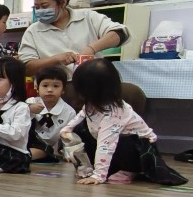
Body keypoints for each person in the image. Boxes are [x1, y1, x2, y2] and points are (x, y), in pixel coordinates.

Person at [17, 0, 146, 112]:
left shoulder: (87, 17)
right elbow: (27, 67)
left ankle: (125, 125)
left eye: (44, 6)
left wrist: (92, 48)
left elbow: (121, 33)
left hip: (97, 81)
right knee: (79, 97)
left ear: (63, 2)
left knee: (133, 93)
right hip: (61, 85)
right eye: (36, 7)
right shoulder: (33, 31)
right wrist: (56, 60)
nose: (40, 11)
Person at [63, 58, 186, 186]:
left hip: (140, 151)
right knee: (80, 129)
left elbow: (106, 144)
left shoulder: (114, 113)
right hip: (113, 145)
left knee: (122, 143)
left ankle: (130, 170)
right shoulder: (93, 103)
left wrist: (98, 176)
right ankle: (102, 166)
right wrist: (67, 128)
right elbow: (82, 114)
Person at [27, 65, 75, 162]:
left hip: (47, 149)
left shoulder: (69, 112)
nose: (50, 90)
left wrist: (68, 154)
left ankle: (21, 157)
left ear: (63, 89)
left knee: (44, 151)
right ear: (37, 87)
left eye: (56, 86)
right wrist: (27, 109)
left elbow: (67, 137)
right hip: (27, 143)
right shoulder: (30, 102)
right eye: (45, 86)